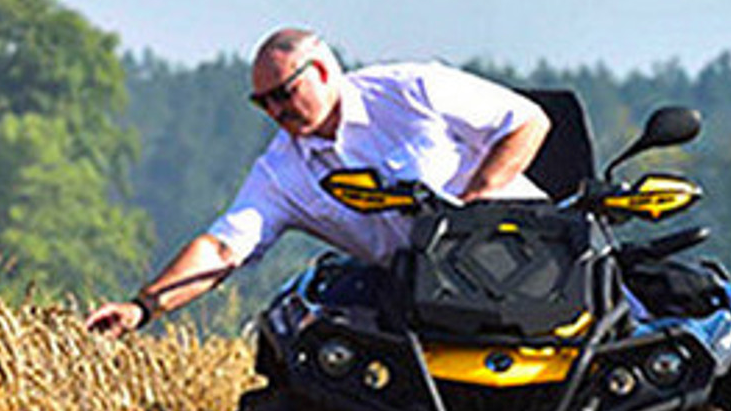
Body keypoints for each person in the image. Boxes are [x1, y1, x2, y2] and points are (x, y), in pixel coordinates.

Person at [86, 27, 551, 337]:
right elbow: (223, 248)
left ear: (324, 72)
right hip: (420, 305)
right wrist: (142, 307)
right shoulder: (281, 173)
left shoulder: (413, 90)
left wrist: (477, 203)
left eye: (283, 94)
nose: (275, 112)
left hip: (532, 269)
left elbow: (527, 122)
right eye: (262, 103)